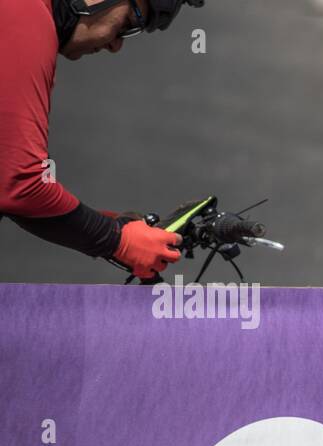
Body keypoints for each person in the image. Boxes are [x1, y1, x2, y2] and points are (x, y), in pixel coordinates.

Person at [0, 0, 204, 279]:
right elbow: (18, 186)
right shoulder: (22, 12)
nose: (115, 45)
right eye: (126, 26)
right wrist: (117, 240)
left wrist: (115, 228)